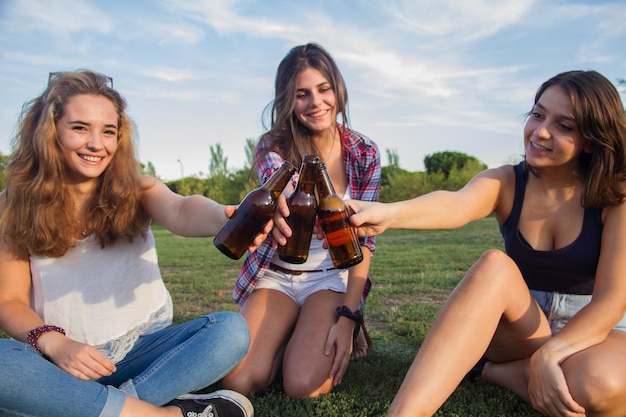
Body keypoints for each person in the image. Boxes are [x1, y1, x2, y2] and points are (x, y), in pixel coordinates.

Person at [346, 70, 626, 417]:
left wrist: (552, 354)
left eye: (564, 126)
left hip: (594, 330)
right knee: (494, 265)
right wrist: (390, 213)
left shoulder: (616, 194)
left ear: (592, 138)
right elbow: (456, 203)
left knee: (600, 385)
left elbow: (612, 300)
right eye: (538, 114)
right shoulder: (507, 181)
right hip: (522, 327)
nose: (540, 132)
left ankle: (491, 371)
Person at [0, 70, 264, 417]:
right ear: (50, 132)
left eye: (108, 131)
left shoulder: (137, 189)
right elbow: (9, 300)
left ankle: (94, 407)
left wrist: (226, 217)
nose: (97, 144)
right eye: (80, 128)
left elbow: (182, 210)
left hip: (142, 354)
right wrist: (55, 342)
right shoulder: (13, 204)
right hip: (62, 360)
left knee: (230, 331)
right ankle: (162, 413)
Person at [221, 43, 381, 398]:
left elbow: (365, 243)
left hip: (330, 280)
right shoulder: (272, 145)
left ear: (337, 89)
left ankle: (314, 328)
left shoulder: (364, 152)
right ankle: (291, 332)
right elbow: (284, 184)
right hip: (276, 275)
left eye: (324, 89)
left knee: (302, 385)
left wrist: (349, 316)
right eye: (301, 94)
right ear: (287, 100)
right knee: (238, 380)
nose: (316, 102)